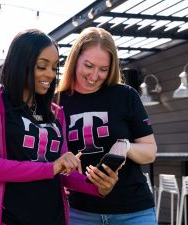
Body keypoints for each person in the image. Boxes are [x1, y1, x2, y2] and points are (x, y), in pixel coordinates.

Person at [0, 28, 118, 225]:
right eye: (42, 66)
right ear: (21, 64)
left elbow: (63, 173)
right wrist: (51, 167)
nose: (50, 74)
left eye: (54, 67)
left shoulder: (56, 113)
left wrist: (97, 186)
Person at [57, 27, 158, 225]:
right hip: (80, 212)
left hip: (133, 211)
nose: (94, 76)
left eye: (103, 69)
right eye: (88, 65)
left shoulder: (126, 95)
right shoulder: (57, 101)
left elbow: (150, 151)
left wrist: (126, 147)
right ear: (75, 59)